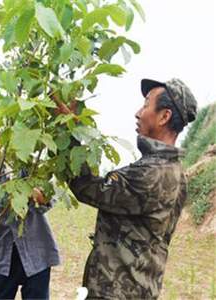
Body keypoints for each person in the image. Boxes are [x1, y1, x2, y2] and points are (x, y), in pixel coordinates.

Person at [68, 78, 197, 299]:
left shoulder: (149, 174)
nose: (138, 113)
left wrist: (68, 130)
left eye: (146, 105)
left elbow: (87, 186)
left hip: (117, 292)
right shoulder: (174, 171)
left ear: (164, 117)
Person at [0, 112, 60, 300]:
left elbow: (47, 196)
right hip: (1, 257)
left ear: (2, 133)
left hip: (35, 251)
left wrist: (25, 191)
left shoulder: (24, 165)